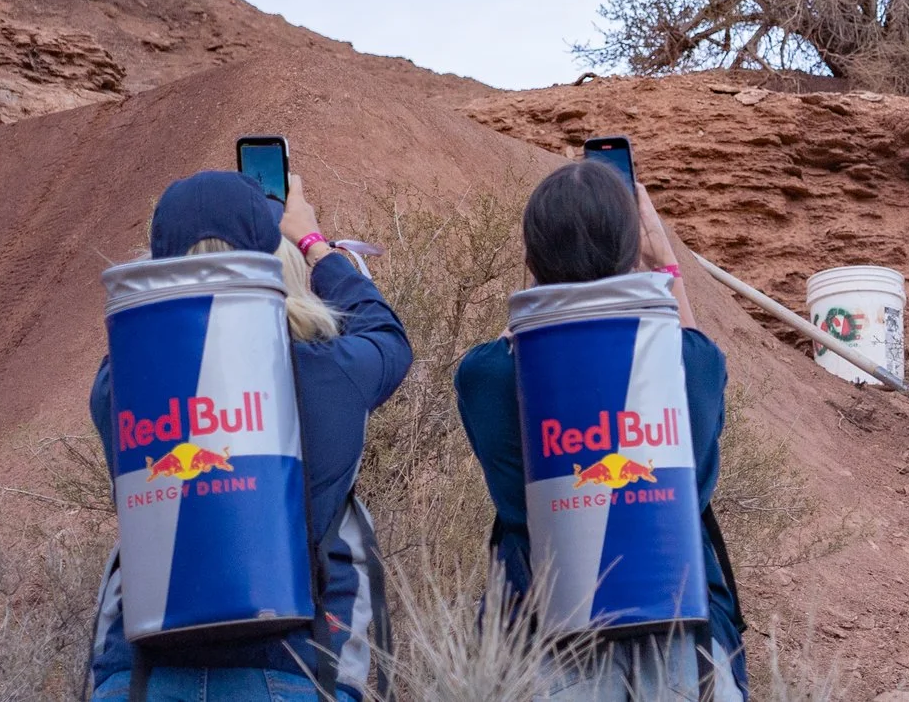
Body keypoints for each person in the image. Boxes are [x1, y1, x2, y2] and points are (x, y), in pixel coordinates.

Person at [88, 170, 412, 702]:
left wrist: (166, 289)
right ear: (270, 261)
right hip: (292, 668)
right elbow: (387, 337)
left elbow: (135, 339)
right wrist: (314, 247)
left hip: (139, 676)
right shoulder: (330, 373)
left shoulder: (117, 389)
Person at [455, 162, 745, 702]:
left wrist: (543, 296)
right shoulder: (692, 363)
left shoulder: (487, 375)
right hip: (684, 640)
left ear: (530, 261)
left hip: (542, 642)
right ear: (634, 254)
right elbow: (689, 348)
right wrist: (665, 267)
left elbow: (507, 353)